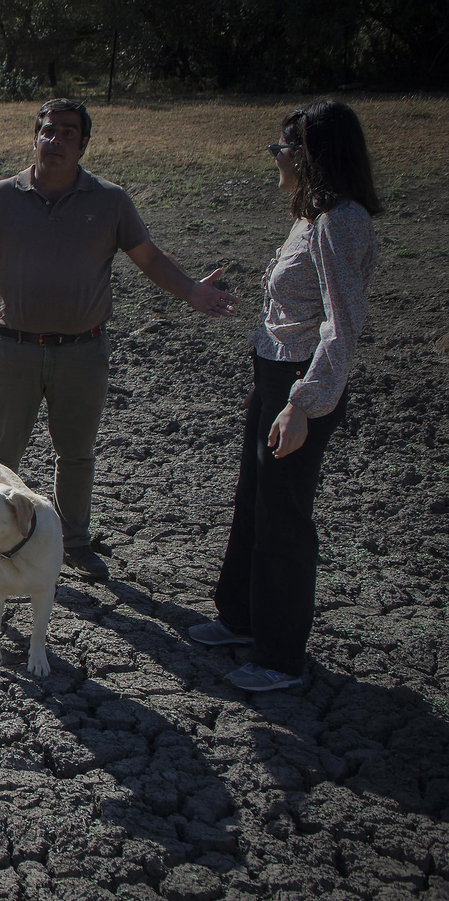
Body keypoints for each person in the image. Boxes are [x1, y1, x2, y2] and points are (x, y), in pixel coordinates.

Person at [0, 98, 240, 579]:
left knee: (76, 454)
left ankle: (75, 542)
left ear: (83, 143)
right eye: (48, 130)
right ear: (34, 136)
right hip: (12, 349)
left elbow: (147, 256)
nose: (56, 140)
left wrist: (190, 290)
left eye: (68, 133)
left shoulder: (110, 201)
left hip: (82, 351)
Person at [188, 99, 381, 693]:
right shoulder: (311, 214)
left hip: (304, 387)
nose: (275, 158)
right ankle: (243, 619)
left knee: (284, 518)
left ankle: (280, 656)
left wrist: (302, 402)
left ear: (310, 155)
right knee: (255, 502)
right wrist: (268, 382)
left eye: (282, 148)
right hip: (277, 378)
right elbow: (295, 311)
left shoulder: (341, 222)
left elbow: (341, 326)